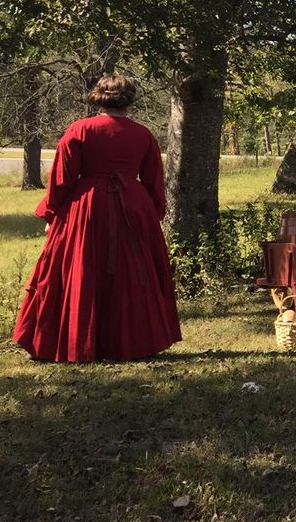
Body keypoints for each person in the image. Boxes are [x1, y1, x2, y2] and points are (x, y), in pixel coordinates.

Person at [13, 75, 182, 362]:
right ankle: (133, 343)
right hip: (132, 206)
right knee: (132, 274)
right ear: (129, 99)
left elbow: (62, 180)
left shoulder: (80, 130)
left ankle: (73, 342)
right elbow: (154, 180)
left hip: (86, 208)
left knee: (80, 268)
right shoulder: (143, 135)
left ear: (98, 97)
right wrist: (151, 214)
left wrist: (51, 213)